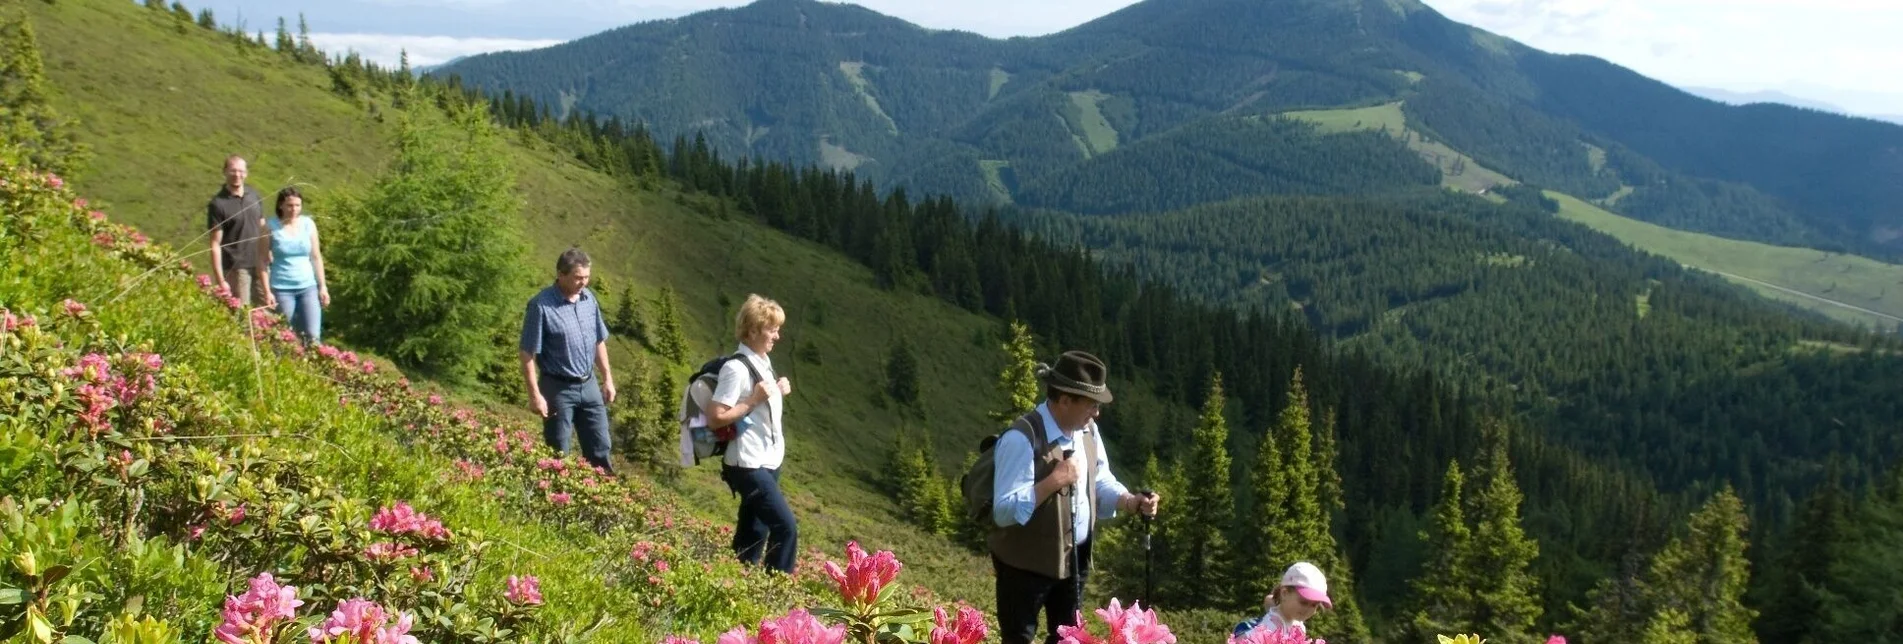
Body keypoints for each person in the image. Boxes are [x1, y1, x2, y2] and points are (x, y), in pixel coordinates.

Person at [990, 350, 1162, 644]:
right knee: (1019, 637)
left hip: (1074, 561)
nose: (1097, 413)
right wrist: (1053, 481)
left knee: (1070, 637)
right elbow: (1003, 511)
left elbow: (1099, 480)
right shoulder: (1021, 438)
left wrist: (1130, 501)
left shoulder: (1087, 432)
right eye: (1092, 404)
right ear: (1065, 399)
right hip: (1023, 567)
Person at [704, 294, 797, 573]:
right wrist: (753, 401)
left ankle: (737, 580)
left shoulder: (763, 361)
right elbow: (715, 418)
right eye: (772, 329)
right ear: (753, 330)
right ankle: (775, 592)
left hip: (768, 460)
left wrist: (778, 391)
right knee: (786, 527)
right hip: (746, 463)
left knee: (754, 529)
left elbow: (761, 406)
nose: (777, 336)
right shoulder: (736, 368)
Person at [519, 247, 616, 473]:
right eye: (577, 277)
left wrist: (608, 379)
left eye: (586, 277)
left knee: (600, 446)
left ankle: (603, 499)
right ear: (561, 274)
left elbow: (598, 340)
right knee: (559, 450)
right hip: (557, 388)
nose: (583, 282)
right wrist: (535, 395)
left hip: (589, 384)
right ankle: (558, 499)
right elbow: (527, 353)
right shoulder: (541, 306)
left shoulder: (589, 299)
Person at [258, 187, 328, 345]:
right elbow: (262, 261)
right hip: (282, 288)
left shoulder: (308, 224)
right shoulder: (269, 227)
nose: (294, 209)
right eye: (290, 205)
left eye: (297, 205)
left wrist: (322, 286)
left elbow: (316, 256)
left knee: (313, 334)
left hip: (308, 286)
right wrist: (267, 291)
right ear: (281, 205)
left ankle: (313, 366)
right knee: (283, 334)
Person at [207, 155, 265, 306]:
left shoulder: (254, 196)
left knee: (266, 310)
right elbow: (215, 244)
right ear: (225, 172)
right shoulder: (218, 204)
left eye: (241, 171)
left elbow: (262, 226)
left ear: (246, 173)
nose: (237, 175)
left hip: (260, 263)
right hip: (236, 268)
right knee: (242, 313)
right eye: (233, 171)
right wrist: (220, 280)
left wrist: (268, 252)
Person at [1232, 562, 1333, 638]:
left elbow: (1270, 601)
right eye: (1303, 602)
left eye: (1314, 605)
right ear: (1284, 593)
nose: (1308, 609)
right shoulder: (1271, 627)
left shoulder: (1296, 623)